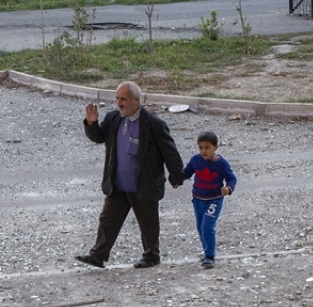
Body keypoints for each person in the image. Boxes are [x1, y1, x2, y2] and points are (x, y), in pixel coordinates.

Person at [75, 82, 185, 269]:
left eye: (123, 99)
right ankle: (98, 255)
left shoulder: (153, 124)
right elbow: (98, 137)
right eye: (117, 98)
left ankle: (151, 256)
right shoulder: (113, 118)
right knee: (107, 220)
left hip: (144, 183)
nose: (119, 103)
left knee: (148, 223)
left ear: (136, 100)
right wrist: (91, 123)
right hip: (118, 184)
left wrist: (176, 176)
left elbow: (170, 152)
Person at [177, 131, 237, 269]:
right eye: (201, 147)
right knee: (200, 227)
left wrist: (228, 188)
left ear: (216, 147)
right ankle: (206, 251)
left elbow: (232, 178)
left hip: (214, 200)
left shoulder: (221, 164)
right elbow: (187, 172)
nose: (204, 151)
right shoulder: (195, 160)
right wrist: (177, 180)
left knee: (207, 227)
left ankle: (210, 256)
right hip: (198, 199)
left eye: (207, 147)